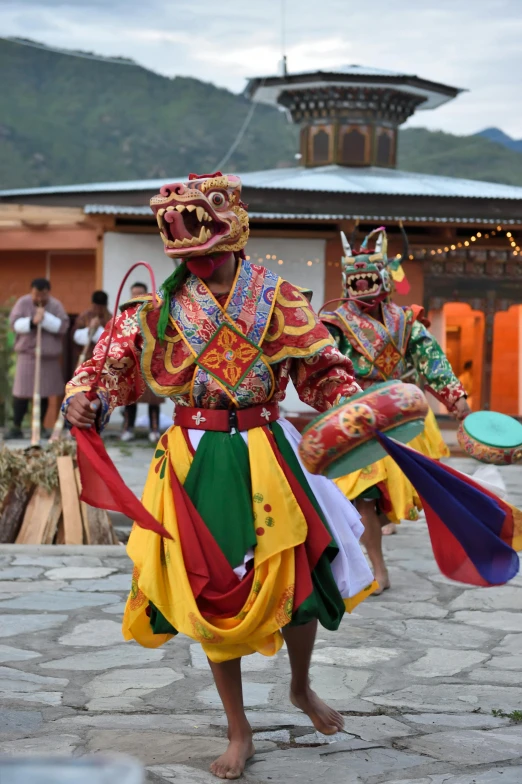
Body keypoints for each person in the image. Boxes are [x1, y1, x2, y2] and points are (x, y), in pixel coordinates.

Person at [64, 172, 377, 780]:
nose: (197, 259)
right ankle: (239, 729)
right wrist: (85, 398)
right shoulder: (157, 310)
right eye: (188, 250)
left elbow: (321, 370)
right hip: (196, 457)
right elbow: (106, 372)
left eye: (206, 247)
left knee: (300, 576)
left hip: (267, 446)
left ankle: (300, 686)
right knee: (216, 588)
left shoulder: (279, 298)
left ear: (233, 232)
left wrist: (360, 404)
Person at [321, 228, 470, 593]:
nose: (362, 282)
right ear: (346, 280)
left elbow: (430, 359)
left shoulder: (404, 322)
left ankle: (370, 554)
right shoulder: (336, 324)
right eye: (354, 277)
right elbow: (321, 363)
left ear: (383, 276)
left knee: (385, 497)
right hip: (355, 414)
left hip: (396, 414)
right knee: (364, 493)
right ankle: (376, 567)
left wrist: (456, 396)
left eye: (368, 275)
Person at [7, 278, 69, 439]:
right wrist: (33, 322)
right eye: (36, 295)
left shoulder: (55, 305)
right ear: (31, 291)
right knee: (21, 392)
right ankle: (16, 426)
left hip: (47, 356)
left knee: (44, 392)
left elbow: (63, 326)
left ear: (48, 292)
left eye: (43, 295)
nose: (39, 299)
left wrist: (46, 318)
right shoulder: (22, 303)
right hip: (27, 354)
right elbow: (13, 323)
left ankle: (39, 426)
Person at [121, 281, 163, 443]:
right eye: (134, 294)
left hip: (152, 360)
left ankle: (154, 430)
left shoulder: (154, 313)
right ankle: (127, 428)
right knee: (130, 397)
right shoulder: (125, 314)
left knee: (154, 399)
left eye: (140, 293)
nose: (136, 297)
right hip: (133, 361)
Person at [73, 290, 112, 363]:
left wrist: (99, 330)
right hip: (86, 358)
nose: (98, 310)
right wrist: (89, 330)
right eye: (96, 307)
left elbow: (113, 339)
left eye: (101, 307)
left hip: (104, 360)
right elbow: (75, 336)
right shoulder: (84, 316)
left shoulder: (110, 319)